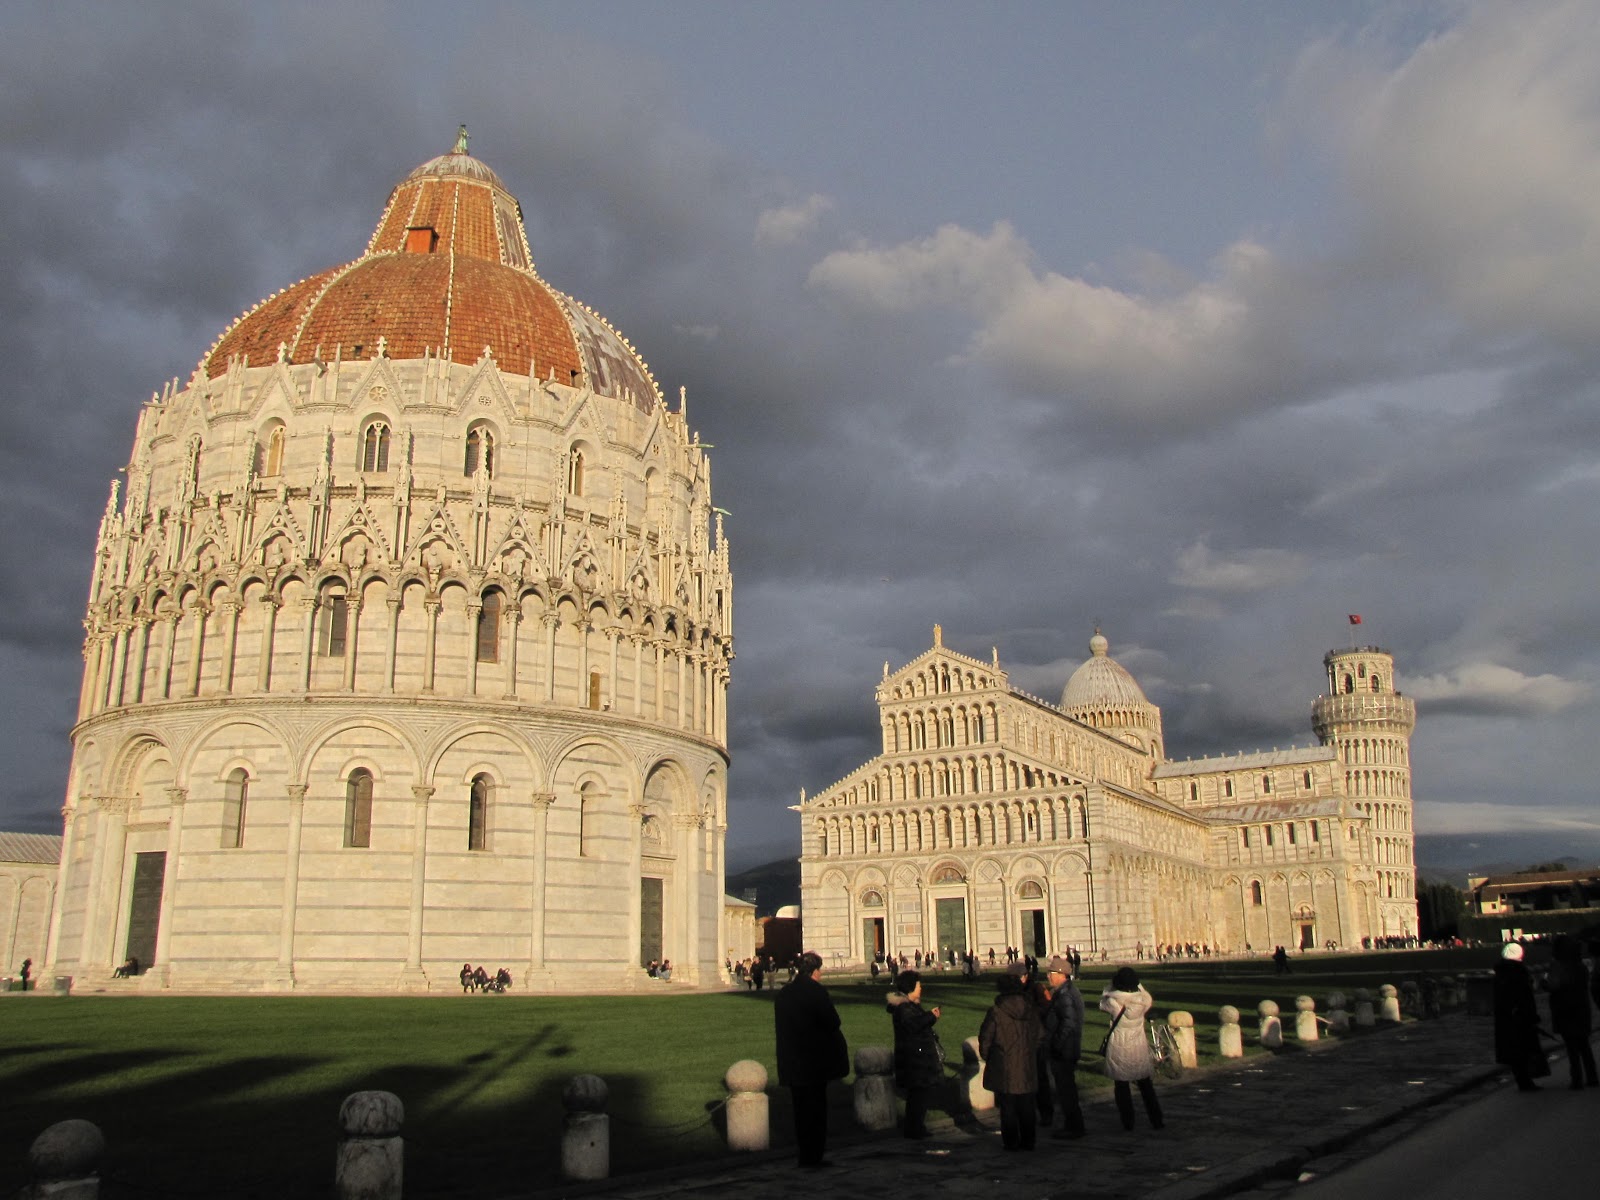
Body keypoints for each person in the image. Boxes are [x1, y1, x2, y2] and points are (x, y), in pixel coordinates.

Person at [774, 950, 849, 1168]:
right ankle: (814, 1156)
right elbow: (833, 1022)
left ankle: (804, 1155)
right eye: (820, 971)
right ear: (815, 971)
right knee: (816, 1110)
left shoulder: (784, 994)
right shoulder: (816, 992)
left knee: (800, 1111)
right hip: (814, 1062)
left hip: (791, 1061)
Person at [979, 962, 1042, 1151]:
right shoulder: (1031, 1009)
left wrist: (990, 1057)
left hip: (1004, 1066)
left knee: (1007, 1107)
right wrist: (1030, 1052)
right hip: (1026, 1065)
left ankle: (1011, 1142)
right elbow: (1040, 1036)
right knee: (1027, 1105)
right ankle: (1029, 1141)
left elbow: (986, 1039)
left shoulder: (997, 1012)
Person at [1099, 966, 1165, 1131]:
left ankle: (1128, 1122)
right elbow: (1146, 996)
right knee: (1145, 1086)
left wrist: (1110, 986)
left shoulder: (1113, 1002)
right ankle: (1156, 1119)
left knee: (1121, 1087)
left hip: (1120, 1046)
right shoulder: (1143, 1001)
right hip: (1138, 1046)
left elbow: (1102, 1001)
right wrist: (1138, 985)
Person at [885, 970, 944, 1138]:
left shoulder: (909, 1005)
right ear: (911, 987)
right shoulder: (904, 1007)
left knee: (919, 1094)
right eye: (918, 985)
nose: (921, 988)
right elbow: (913, 1025)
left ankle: (916, 1126)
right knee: (918, 1095)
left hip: (916, 1054)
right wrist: (931, 1017)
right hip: (914, 1057)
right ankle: (914, 1128)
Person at [1545, 936, 1597, 1089]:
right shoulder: (1580, 966)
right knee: (1584, 1046)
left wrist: (1544, 985)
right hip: (1581, 1008)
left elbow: (1555, 986)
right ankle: (1592, 1077)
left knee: (1572, 1048)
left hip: (1565, 1009)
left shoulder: (1558, 966)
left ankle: (1577, 1079)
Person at [1043, 955, 1086, 1138]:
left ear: (1061, 974)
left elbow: (1069, 1023)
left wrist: (1057, 1044)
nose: (1048, 977)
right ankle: (1073, 1124)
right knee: (1066, 1089)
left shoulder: (1065, 995)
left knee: (1066, 1090)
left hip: (1064, 1051)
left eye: (1051, 973)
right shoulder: (1066, 992)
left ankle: (1074, 1127)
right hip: (1067, 1049)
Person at [1493, 942, 1544, 1092]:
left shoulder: (1500, 973)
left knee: (1515, 1051)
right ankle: (1526, 1081)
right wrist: (1531, 1015)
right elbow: (1525, 997)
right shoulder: (1518, 972)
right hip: (1520, 1016)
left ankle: (1523, 1080)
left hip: (1507, 1017)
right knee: (1523, 1048)